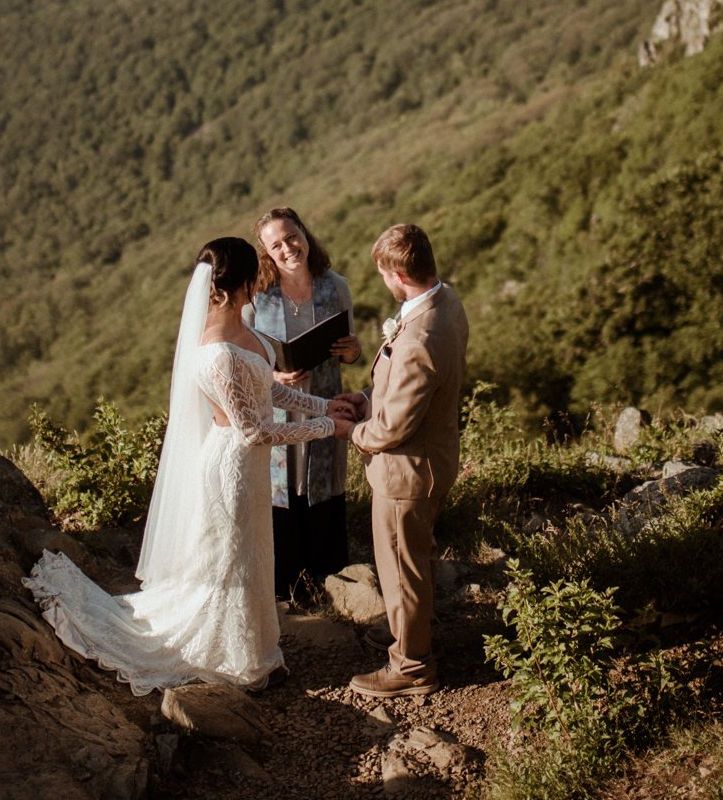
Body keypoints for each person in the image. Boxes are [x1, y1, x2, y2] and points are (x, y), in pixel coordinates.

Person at [24, 237, 357, 694]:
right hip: (232, 469)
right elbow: (254, 431)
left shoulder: (248, 332)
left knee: (253, 555)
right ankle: (237, 658)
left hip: (251, 468)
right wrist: (327, 428)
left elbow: (272, 393)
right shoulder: (217, 352)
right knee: (233, 562)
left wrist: (325, 405)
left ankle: (257, 650)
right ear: (242, 282)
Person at [344, 222, 467, 699]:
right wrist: (367, 396)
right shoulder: (445, 301)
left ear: (396, 273)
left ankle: (412, 664)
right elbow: (411, 391)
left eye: (383, 273)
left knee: (400, 566)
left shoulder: (418, 336)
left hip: (407, 471)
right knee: (417, 556)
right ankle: (413, 628)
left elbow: (393, 428)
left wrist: (353, 431)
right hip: (435, 456)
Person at [247, 206, 363, 601]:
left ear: (304, 233)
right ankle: (286, 586)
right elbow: (244, 359)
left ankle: (328, 579)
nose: (287, 248)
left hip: (325, 402)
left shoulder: (336, 286)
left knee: (322, 488)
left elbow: (349, 348)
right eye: (275, 244)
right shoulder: (257, 297)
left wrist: (353, 352)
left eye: (291, 237)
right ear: (266, 252)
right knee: (282, 491)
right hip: (278, 407)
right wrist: (274, 376)